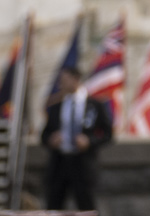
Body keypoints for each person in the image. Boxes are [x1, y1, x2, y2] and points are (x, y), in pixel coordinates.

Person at [41, 61, 114, 212]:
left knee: (86, 206)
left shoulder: (94, 105)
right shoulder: (56, 106)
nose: (61, 84)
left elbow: (108, 134)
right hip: (60, 163)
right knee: (54, 206)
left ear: (75, 80)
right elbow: (44, 135)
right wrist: (51, 139)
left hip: (83, 164)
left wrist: (89, 141)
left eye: (65, 80)